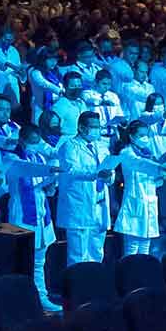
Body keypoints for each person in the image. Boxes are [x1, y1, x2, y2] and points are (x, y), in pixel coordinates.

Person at [6, 125, 62, 311]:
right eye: (32, 142)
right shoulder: (12, 158)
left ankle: (41, 297)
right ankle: (21, 301)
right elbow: (27, 169)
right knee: (21, 259)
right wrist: (49, 171)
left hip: (41, 211)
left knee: (40, 260)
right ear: (22, 140)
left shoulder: (39, 157)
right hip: (22, 212)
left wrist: (52, 182)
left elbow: (48, 188)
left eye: (37, 142)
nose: (35, 146)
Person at [57, 111, 113, 265]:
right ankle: (77, 287)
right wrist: (96, 174)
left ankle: (93, 284)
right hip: (79, 205)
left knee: (97, 250)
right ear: (81, 128)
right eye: (93, 127)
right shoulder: (69, 146)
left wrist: (109, 176)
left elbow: (110, 170)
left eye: (98, 126)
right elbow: (71, 170)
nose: (97, 130)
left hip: (99, 205)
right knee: (78, 254)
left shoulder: (101, 146)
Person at [113, 120, 166, 255]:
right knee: (132, 246)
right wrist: (159, 167)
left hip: (149, 202)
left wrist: (160, 177)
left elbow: (152, 182)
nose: (145, 138)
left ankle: (143, 271)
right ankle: (129, 273)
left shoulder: (148, 153)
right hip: (135, 201)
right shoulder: (126, 153)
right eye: (141, 135)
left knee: (146, 244)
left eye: (147, 135)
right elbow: (139, 164)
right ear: (131, 136)